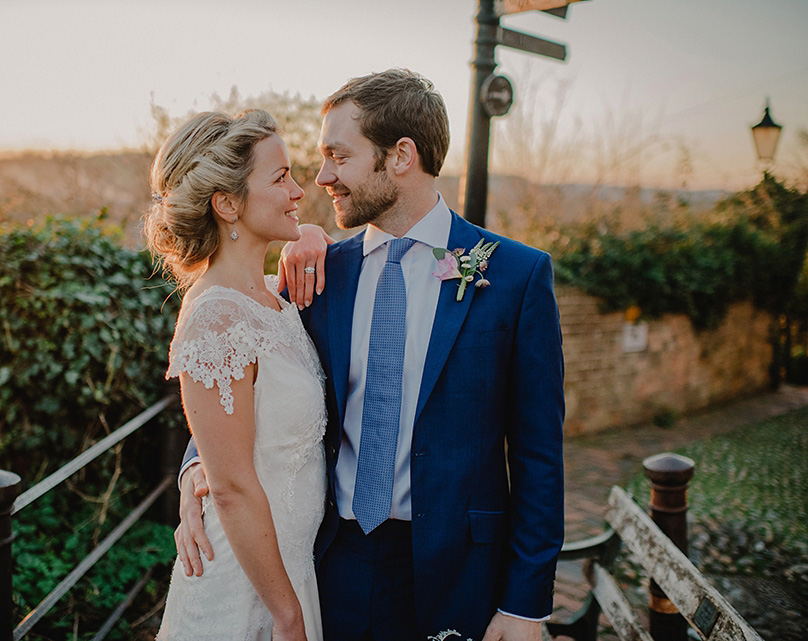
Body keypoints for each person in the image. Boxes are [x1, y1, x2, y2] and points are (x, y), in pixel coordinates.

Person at [177, 69, 565, 641]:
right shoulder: (318, 272)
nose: (322, 177)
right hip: (333, 560)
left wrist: (526, 605)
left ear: (401, 155)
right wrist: (196, 467)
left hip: (460, 570)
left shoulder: (515, 276)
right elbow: (244, 369)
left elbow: (539, 454)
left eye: (339, 155)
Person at [145, 109, 326, 641]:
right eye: (280, 178)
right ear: (227, 203)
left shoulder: (273, 299)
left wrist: (312, 234)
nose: (299, 190)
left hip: (291, 569)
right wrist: (287, 615)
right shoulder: (215, 317)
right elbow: (229, 488)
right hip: (245, 588)